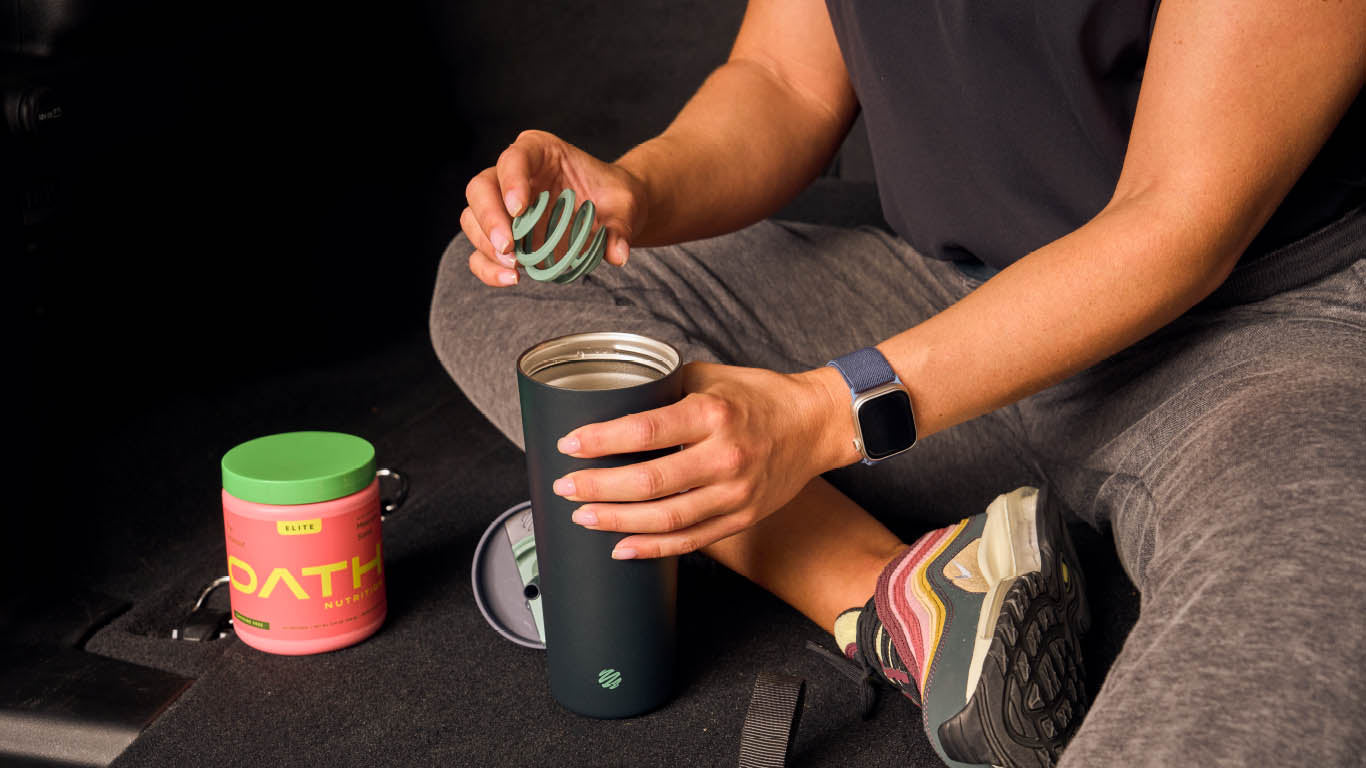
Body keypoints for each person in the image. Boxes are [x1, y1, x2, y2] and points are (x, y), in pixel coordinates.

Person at [431, 0, 1366, 765]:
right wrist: (632, 190)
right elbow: (783, 83)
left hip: (1258, 338)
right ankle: (907, 598)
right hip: (941, 298)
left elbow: (1178, 219)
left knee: (1264, 679)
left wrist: (822, 413)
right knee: (516, 296)